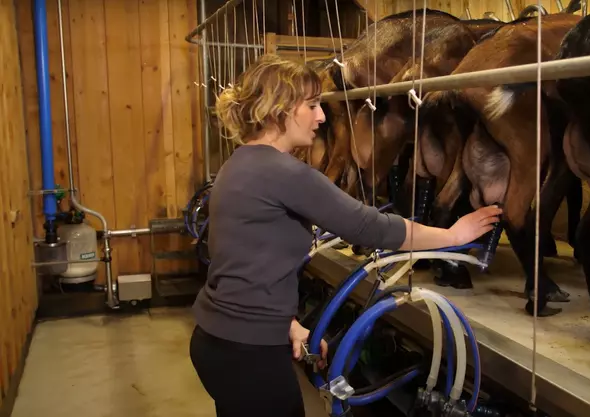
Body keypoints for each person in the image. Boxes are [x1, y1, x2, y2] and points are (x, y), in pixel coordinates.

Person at [188, 54, 502, 417]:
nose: (321, 117)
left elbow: (240, 260)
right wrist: (451, 234)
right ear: (280, 108)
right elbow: (369, 226)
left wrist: (286, 324)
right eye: (312, 105)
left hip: (218, 341)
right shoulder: (284, 173)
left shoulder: (238, 163)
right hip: (248, 353)